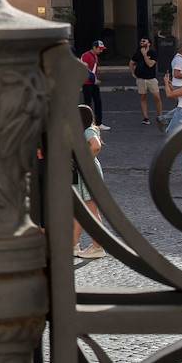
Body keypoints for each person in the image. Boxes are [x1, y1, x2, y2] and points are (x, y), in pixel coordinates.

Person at [73, 105, 105, 259]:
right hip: (84, 173)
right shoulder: (86, 130)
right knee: (82, 210)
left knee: (91, 211)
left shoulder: (88, 131)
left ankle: (98, 246)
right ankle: (73, 244)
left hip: (88, 172)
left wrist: (84, 160)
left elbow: (96, 146)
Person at [165, 39, 182, 166]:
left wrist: (166, 83)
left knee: (171, 140)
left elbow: (169, 94)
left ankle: (165, 166)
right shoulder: (179, 60)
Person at [130, 38, 161, 125]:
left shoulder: (153, 53)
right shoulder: (137, 53)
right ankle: (146, 118)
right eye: (141, 41)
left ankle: (160, 116)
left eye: (144, 41)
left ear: (149, 43)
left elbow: (150, 64)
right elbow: (131, 62)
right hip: (141, 79)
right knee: (143, 97)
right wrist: (133, 73)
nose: (142, 42)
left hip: (151, 79)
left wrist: (144, 55)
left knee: (157, 97)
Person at [79, 39, 107, 131]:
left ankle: (98, 123)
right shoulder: (86, 56)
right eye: (100, 49)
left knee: (98, 102)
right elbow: (84, 69)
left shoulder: (95, 56)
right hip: (87, 83)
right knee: (87, 104)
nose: (101, 51)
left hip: (93, 83)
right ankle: (87, 124)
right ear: (94, 47)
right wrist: (94, 79)